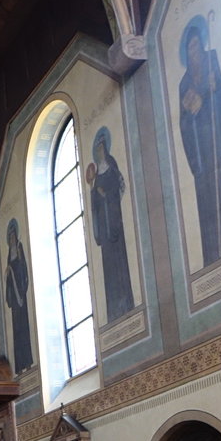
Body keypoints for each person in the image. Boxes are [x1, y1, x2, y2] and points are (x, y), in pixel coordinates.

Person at [178, 22, 221, 267]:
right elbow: (182, 122)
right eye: (189, 49)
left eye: (195, 46)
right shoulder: (184, 83)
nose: (194, 52)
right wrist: (191, 110)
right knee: (204, 198)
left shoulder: (212, 61)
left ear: (201, 45)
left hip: (214, 138)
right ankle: (212, 253)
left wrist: (214, 91)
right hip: (199, 153)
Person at [89, 132, 134, 320]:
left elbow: (118, 188)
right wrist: (95, 192)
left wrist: (106, 194)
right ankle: (113, 308)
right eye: (97, 149)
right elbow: (93, 205)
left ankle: (126, 302)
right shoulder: (96, 175)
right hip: (105, 230)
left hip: (114, 223)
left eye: (101, 148)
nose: (99, 152)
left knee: (120, 261)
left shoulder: (112, 167)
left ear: (105, 148)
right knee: (108, 267)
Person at [4, 221, 33, 372]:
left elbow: (23, 269)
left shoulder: (20, 249)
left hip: (21, 294)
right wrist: (8, 274)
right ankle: (19, 365)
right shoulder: (9, 255)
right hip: (15, 301)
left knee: (24, 328)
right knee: (16, 332)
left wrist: (14, 272)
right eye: (9, 237)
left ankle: (27, 362)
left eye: (13, 236)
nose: (12, 239)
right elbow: (8, 278)